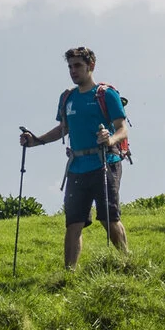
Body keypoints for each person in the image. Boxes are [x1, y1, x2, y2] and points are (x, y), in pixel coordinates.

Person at [21, 46, 131, 270]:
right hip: (77, 167)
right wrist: (35, 141)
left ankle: (127, 262)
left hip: (106, 163)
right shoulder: (67, 98)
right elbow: (64, 128)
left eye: (78, 66)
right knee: (73, 223)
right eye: (70, 66)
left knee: (108, 218)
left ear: (91, 66)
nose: (73, 71)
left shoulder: (106, 94)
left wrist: (110, 139)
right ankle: (68, 274)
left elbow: (123, 129)